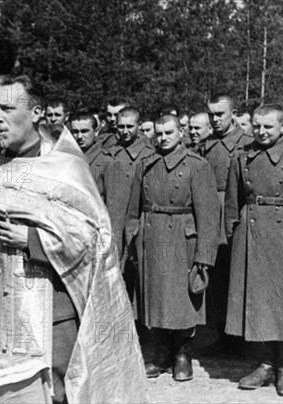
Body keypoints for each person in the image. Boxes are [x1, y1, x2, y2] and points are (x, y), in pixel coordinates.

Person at [0, 75, 147, 403]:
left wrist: (33, 239)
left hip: (51, 312)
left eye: (7, 108)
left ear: (36, 113)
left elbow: (95, 239)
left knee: (55, 394)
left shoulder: (64, 169)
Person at [125, 114, 220, 382]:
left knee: (183, 300)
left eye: (169, 132)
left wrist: (204, 255)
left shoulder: (197, 165)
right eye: (159, 133)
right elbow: (133, 210)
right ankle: (162, 352)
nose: (163, 138)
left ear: (181, 133)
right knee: (154, 299)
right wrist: (133, 240)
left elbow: (209, 215)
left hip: (182, 239)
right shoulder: (145, 164)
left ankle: (183, 354)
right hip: (152, 238)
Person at [225, 105, 283, 396]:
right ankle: (265, 364)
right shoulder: (242, 156)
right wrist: (232, 231)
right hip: (251, 233)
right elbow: (232, 201)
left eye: (269, 127)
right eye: (257, 126)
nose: (262, 132)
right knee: (259, 300)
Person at [202, 94, 253, 353]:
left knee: (238, 275)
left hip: (236, 214)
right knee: (217, 276)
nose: (215, 119)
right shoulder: (204, 145)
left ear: (234, 114)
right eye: (211, 114)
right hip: (210, 216)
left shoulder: (248, 143)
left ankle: (243, 337)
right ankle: (222, 334)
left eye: (220, 114)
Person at [98, 108, 155, 300]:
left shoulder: (150, 154)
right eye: (121, 126)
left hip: (139, 221)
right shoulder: (108, 154)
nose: (125, 131)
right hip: (113, 221)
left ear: (139, 126)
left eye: (130, 126)